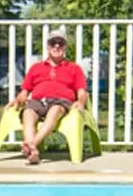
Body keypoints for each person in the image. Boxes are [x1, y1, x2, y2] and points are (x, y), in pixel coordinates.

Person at [8, 33, 89, 165]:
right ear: (48, 46)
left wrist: (80, 102)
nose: (57, 46)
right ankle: (32, 151)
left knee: (55, 110)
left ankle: (31, 145)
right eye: (53, 43)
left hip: (60, 101)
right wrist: (17, 101)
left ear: (65, 47)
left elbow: (82, 92)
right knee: (28, 112)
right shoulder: (36, 67)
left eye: (60, 43)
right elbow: (24, 92)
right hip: (39, 101)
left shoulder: (74, 68)